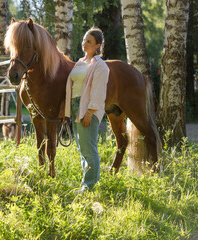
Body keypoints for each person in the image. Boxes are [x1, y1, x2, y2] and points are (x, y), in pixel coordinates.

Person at [64, 27, 109, 192]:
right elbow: (72, 86)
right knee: (82, 149)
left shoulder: (100, 66)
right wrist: (67, 111)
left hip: (88, 109)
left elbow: (98, 92)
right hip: (76, 107)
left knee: (89, 149)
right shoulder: (80, 62)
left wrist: (90, 112)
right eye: (84, 40)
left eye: (89, 41)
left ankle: (89, 187)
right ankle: (87, 184)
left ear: (97, 45)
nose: (84, 43)